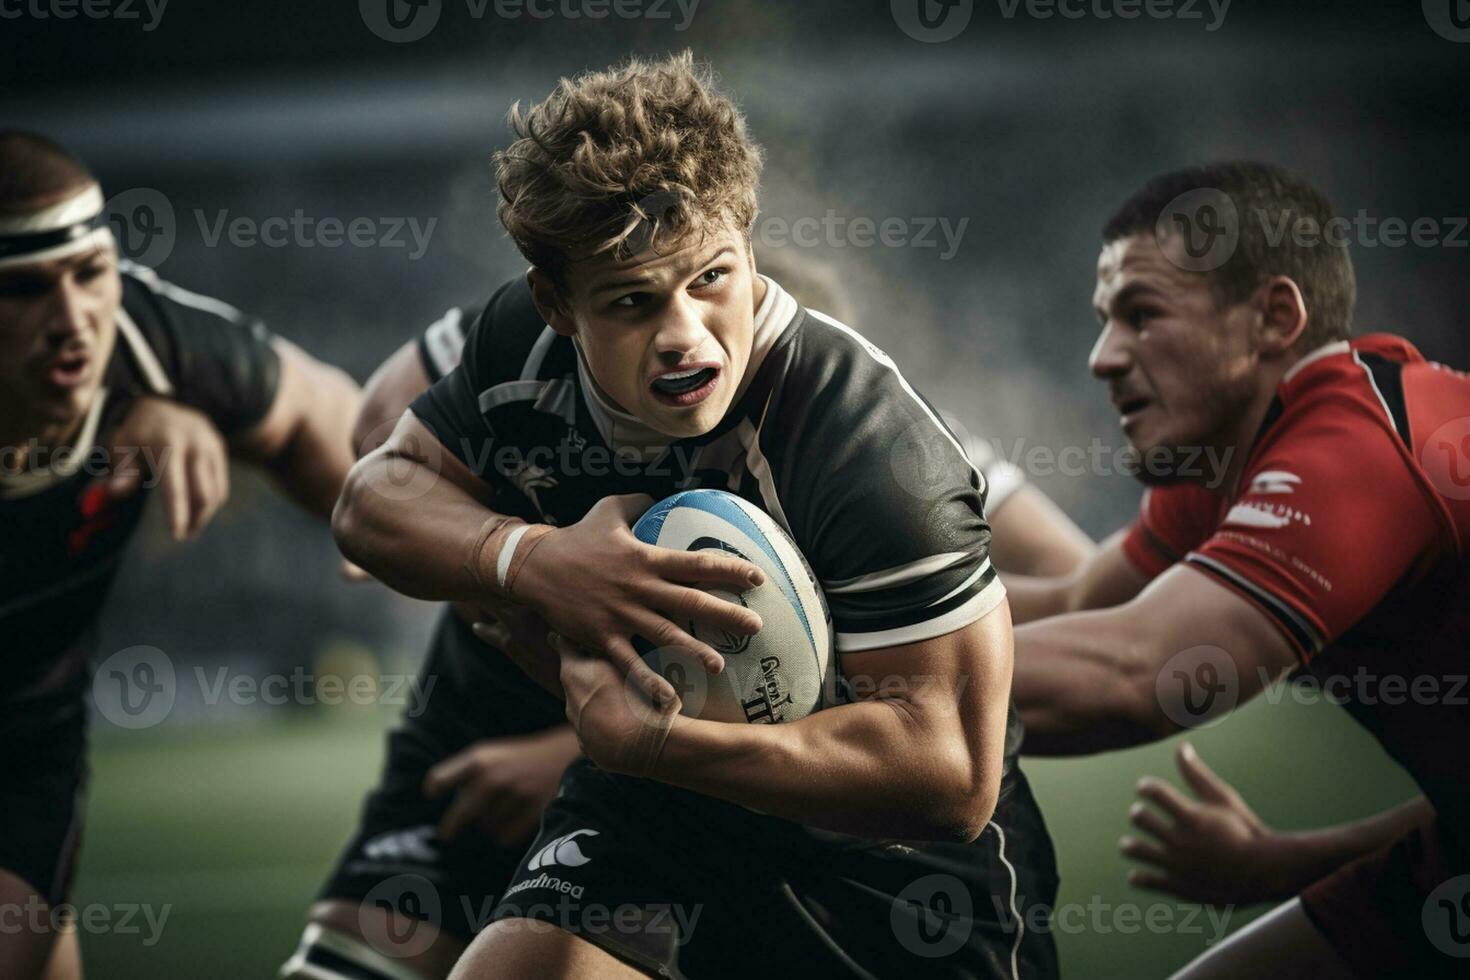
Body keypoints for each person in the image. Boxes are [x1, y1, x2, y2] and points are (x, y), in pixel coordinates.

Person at [330, 53, 1060, 980]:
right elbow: (373, 499)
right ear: (557, 304)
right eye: (633, 302)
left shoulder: (864, 442)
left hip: (886, 865)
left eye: (710, 277)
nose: (684, 332)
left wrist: (662, 743)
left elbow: (948, 776)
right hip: (652, 805)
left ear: (749, 239)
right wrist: (535, 560)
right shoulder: (521, 345)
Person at [1006, 161, 1469, 978]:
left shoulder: (1356, 447)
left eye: (1141, 314)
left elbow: (1139, 669)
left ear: (1274, 318)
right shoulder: (1234, 463)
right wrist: (839, 591)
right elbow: (1073, 604)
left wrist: (823, 663)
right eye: (1104, 319)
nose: (1100, 358)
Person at [0, 131, 361, 980]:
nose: (74, 319)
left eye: (91, 272)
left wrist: (442, 549)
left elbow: (329, 417)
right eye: (22, 289)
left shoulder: (148, 341)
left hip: (24, 748)